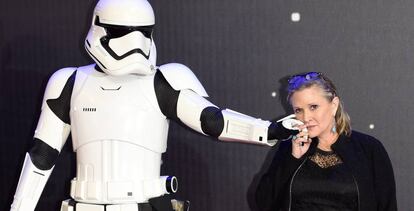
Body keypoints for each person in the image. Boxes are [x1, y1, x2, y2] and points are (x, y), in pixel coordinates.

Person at [9, 0, 295, 211]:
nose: (135, 42)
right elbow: (41, 155)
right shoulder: (69, 81)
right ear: (100, 29)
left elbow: (212, 121)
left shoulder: (164, 80)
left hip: (143, 204)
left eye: (144, 32)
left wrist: (269, 130)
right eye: (122, 32)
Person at [255, 72, 397, 211]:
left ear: (334, 105)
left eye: (313, 107)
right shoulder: (290, 147)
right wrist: (292, 159)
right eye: (298, 110)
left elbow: (387, 205)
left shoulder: (368, 148)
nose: (306, 117)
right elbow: (263, 203)